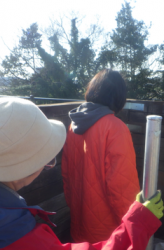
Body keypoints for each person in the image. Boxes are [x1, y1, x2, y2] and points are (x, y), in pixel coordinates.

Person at [0, 97, 162, 249]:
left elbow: (69, 179)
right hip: (108, 225)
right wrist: (138, 219)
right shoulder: (22, 239)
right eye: (46, 161)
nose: (47, 166)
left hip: (81, 223)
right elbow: (121, 182)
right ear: (22, 170)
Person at [60, 69, 141, 242]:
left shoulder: (73, 126)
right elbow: (122, 186)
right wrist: (135, 223)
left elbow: (66, 174)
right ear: (118, 96)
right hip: (108, 231)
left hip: (79, 221)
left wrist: (74, 206)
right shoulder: (115, 127)